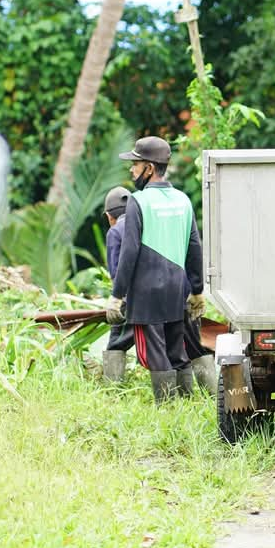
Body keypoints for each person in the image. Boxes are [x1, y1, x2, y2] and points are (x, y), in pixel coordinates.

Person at [109, 137, 206, 403]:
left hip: (147, 292)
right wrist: (197, 291)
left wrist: (117, 296)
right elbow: (194, 248)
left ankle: (166, 410)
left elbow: (129, 253)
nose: (131, 170)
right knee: (178, 351)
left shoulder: (138, 201)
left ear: (149, 168)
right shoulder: (183, 200)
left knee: (155, 353)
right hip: (176, 288)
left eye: (135, 164)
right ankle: (187, 404)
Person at [102, 186, 134, 380]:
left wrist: (116, 299)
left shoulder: (115, 232)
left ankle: (113, 387)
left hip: (133, 297)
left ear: (109, 216)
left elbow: (116, 272)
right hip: (165, 292)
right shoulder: (146, 224)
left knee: (117, 341)